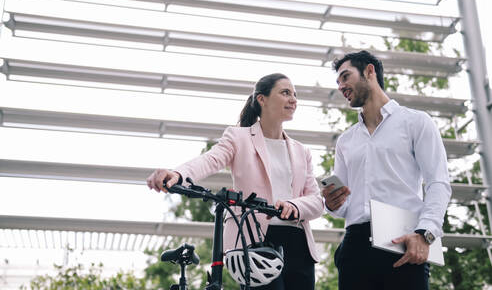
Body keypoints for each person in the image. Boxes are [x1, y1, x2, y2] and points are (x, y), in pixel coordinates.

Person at [147, 73, 324, 290]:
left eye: (295, 94)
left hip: (299, 244)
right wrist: (179, 174)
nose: (293, 99)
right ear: (262, 99)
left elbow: (316, 202)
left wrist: (294, 205)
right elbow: (210, 160)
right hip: (256, 239)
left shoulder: (301, 151)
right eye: (285, 92)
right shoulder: (238, 137)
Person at [323, 50, 452, 290]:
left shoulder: (416, 122)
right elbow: (345, 206)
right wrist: (333, 203)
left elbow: (438, 183)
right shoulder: (345, 141)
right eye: (338, 81)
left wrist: (426, 234)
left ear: (369, 71)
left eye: (345, 76)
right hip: (355, 246)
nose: (341, 86)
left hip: (404, 242)